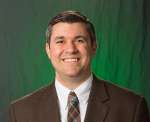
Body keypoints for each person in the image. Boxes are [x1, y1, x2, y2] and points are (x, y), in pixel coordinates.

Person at [9, 10, 150, 122]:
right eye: (60, 41)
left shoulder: (132, 107)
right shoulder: (20, 112)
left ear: (94, 47)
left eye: (79, 40)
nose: (70, 49)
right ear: (48, 50)